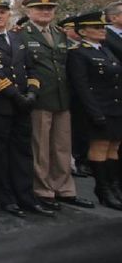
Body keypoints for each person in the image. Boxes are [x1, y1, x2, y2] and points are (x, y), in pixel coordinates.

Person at [0, 0, 55, 218]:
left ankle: (26, 197)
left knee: (23, 153)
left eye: (3, 11)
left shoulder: (17, 38)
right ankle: (5, 199)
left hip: (23, 105)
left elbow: (31, 68)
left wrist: (33, 92)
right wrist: (16, 95)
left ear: (8, 14)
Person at [18, 0, 93, 210]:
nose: (45, 12)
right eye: (40, 9)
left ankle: (65, 189)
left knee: (62, 147)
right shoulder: (21, 35)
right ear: (29, 12)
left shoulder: (60, 34)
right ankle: (43, 190)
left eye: (49, 9)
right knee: (40, 149)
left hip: (62, 99)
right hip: (39, 99)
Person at [67, 11, 122, 210]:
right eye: (97, 28)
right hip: (97, 107)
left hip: (115, 105)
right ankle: (104, 189)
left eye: (102, 27)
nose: (102, 30)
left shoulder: (106, 49)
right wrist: (94, 112)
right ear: (83, 31)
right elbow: (81, 86)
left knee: (114, 148)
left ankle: (115, 186)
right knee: (100, 146)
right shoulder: (78, 52)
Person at [58, 15, 93, 178]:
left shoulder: (80, 47)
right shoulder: (69, 47)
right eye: (71, 28)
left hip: (78, 96)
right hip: (68, 94)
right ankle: (77, 161)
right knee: (72, 133)